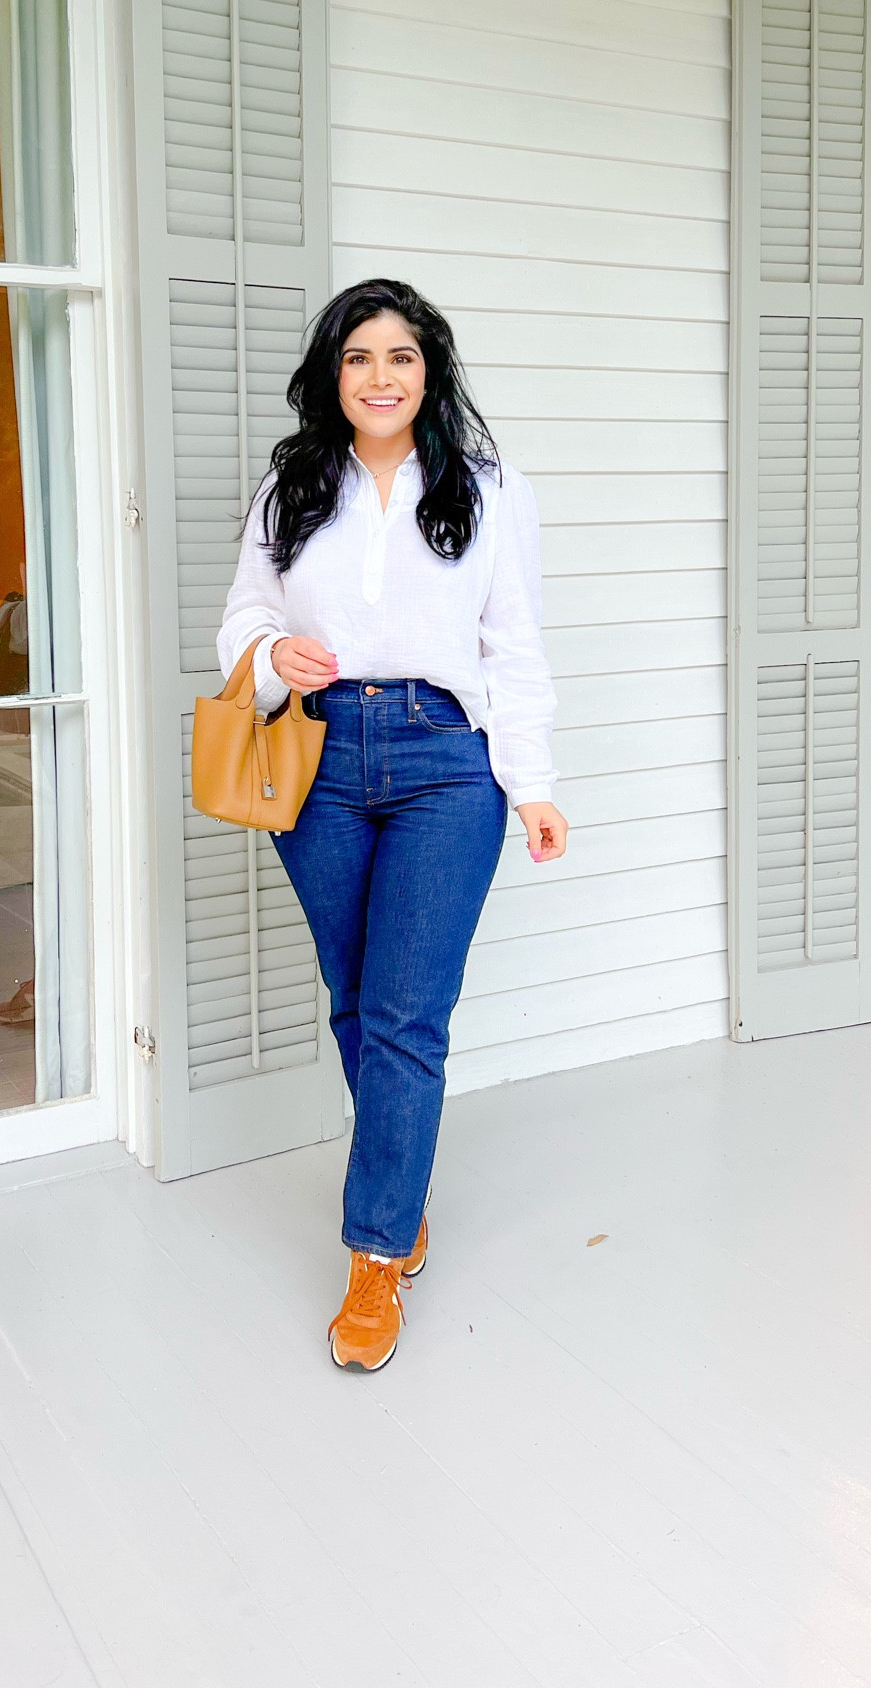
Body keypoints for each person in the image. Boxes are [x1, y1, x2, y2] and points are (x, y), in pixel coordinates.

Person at [217, 278, 566, 1372]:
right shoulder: (294, 481)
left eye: (400, 356)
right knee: (357, 997)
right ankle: (401, 1184)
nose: (380, 375)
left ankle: (376, 1254)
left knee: (410, 1012)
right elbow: (247, 610)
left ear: (431, 371)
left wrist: (534, 781)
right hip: (316, 756)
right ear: (334, 371)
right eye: (359, 355)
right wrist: (275, 658)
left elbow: (514, 646)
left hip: (444, 764)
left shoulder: (491, 489)